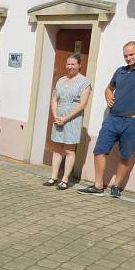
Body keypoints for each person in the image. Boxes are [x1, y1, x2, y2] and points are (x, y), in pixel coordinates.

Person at [78, 41, 135, 197]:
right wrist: (108, 94)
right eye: (125, 55)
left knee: (126, 155)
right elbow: (109, 88)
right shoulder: (120, 71)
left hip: (133, 121)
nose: (128, 58)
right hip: (113, 119)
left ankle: (116, 186)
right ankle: (98, 186)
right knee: (99, 150)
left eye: (131, 54)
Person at [43, 53, 91, 190]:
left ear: (79, 65)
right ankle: (53, 177)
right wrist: (55, 114)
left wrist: (66, 118)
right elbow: (54, 98)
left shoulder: (84, 82)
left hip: (73, 118)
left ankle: (65, 179)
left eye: (73, 64)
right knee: (57, 148)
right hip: (59, 117)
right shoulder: (60, 80)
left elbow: (82, 104)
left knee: (69, 150)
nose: (70, 67)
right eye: (68, 64)